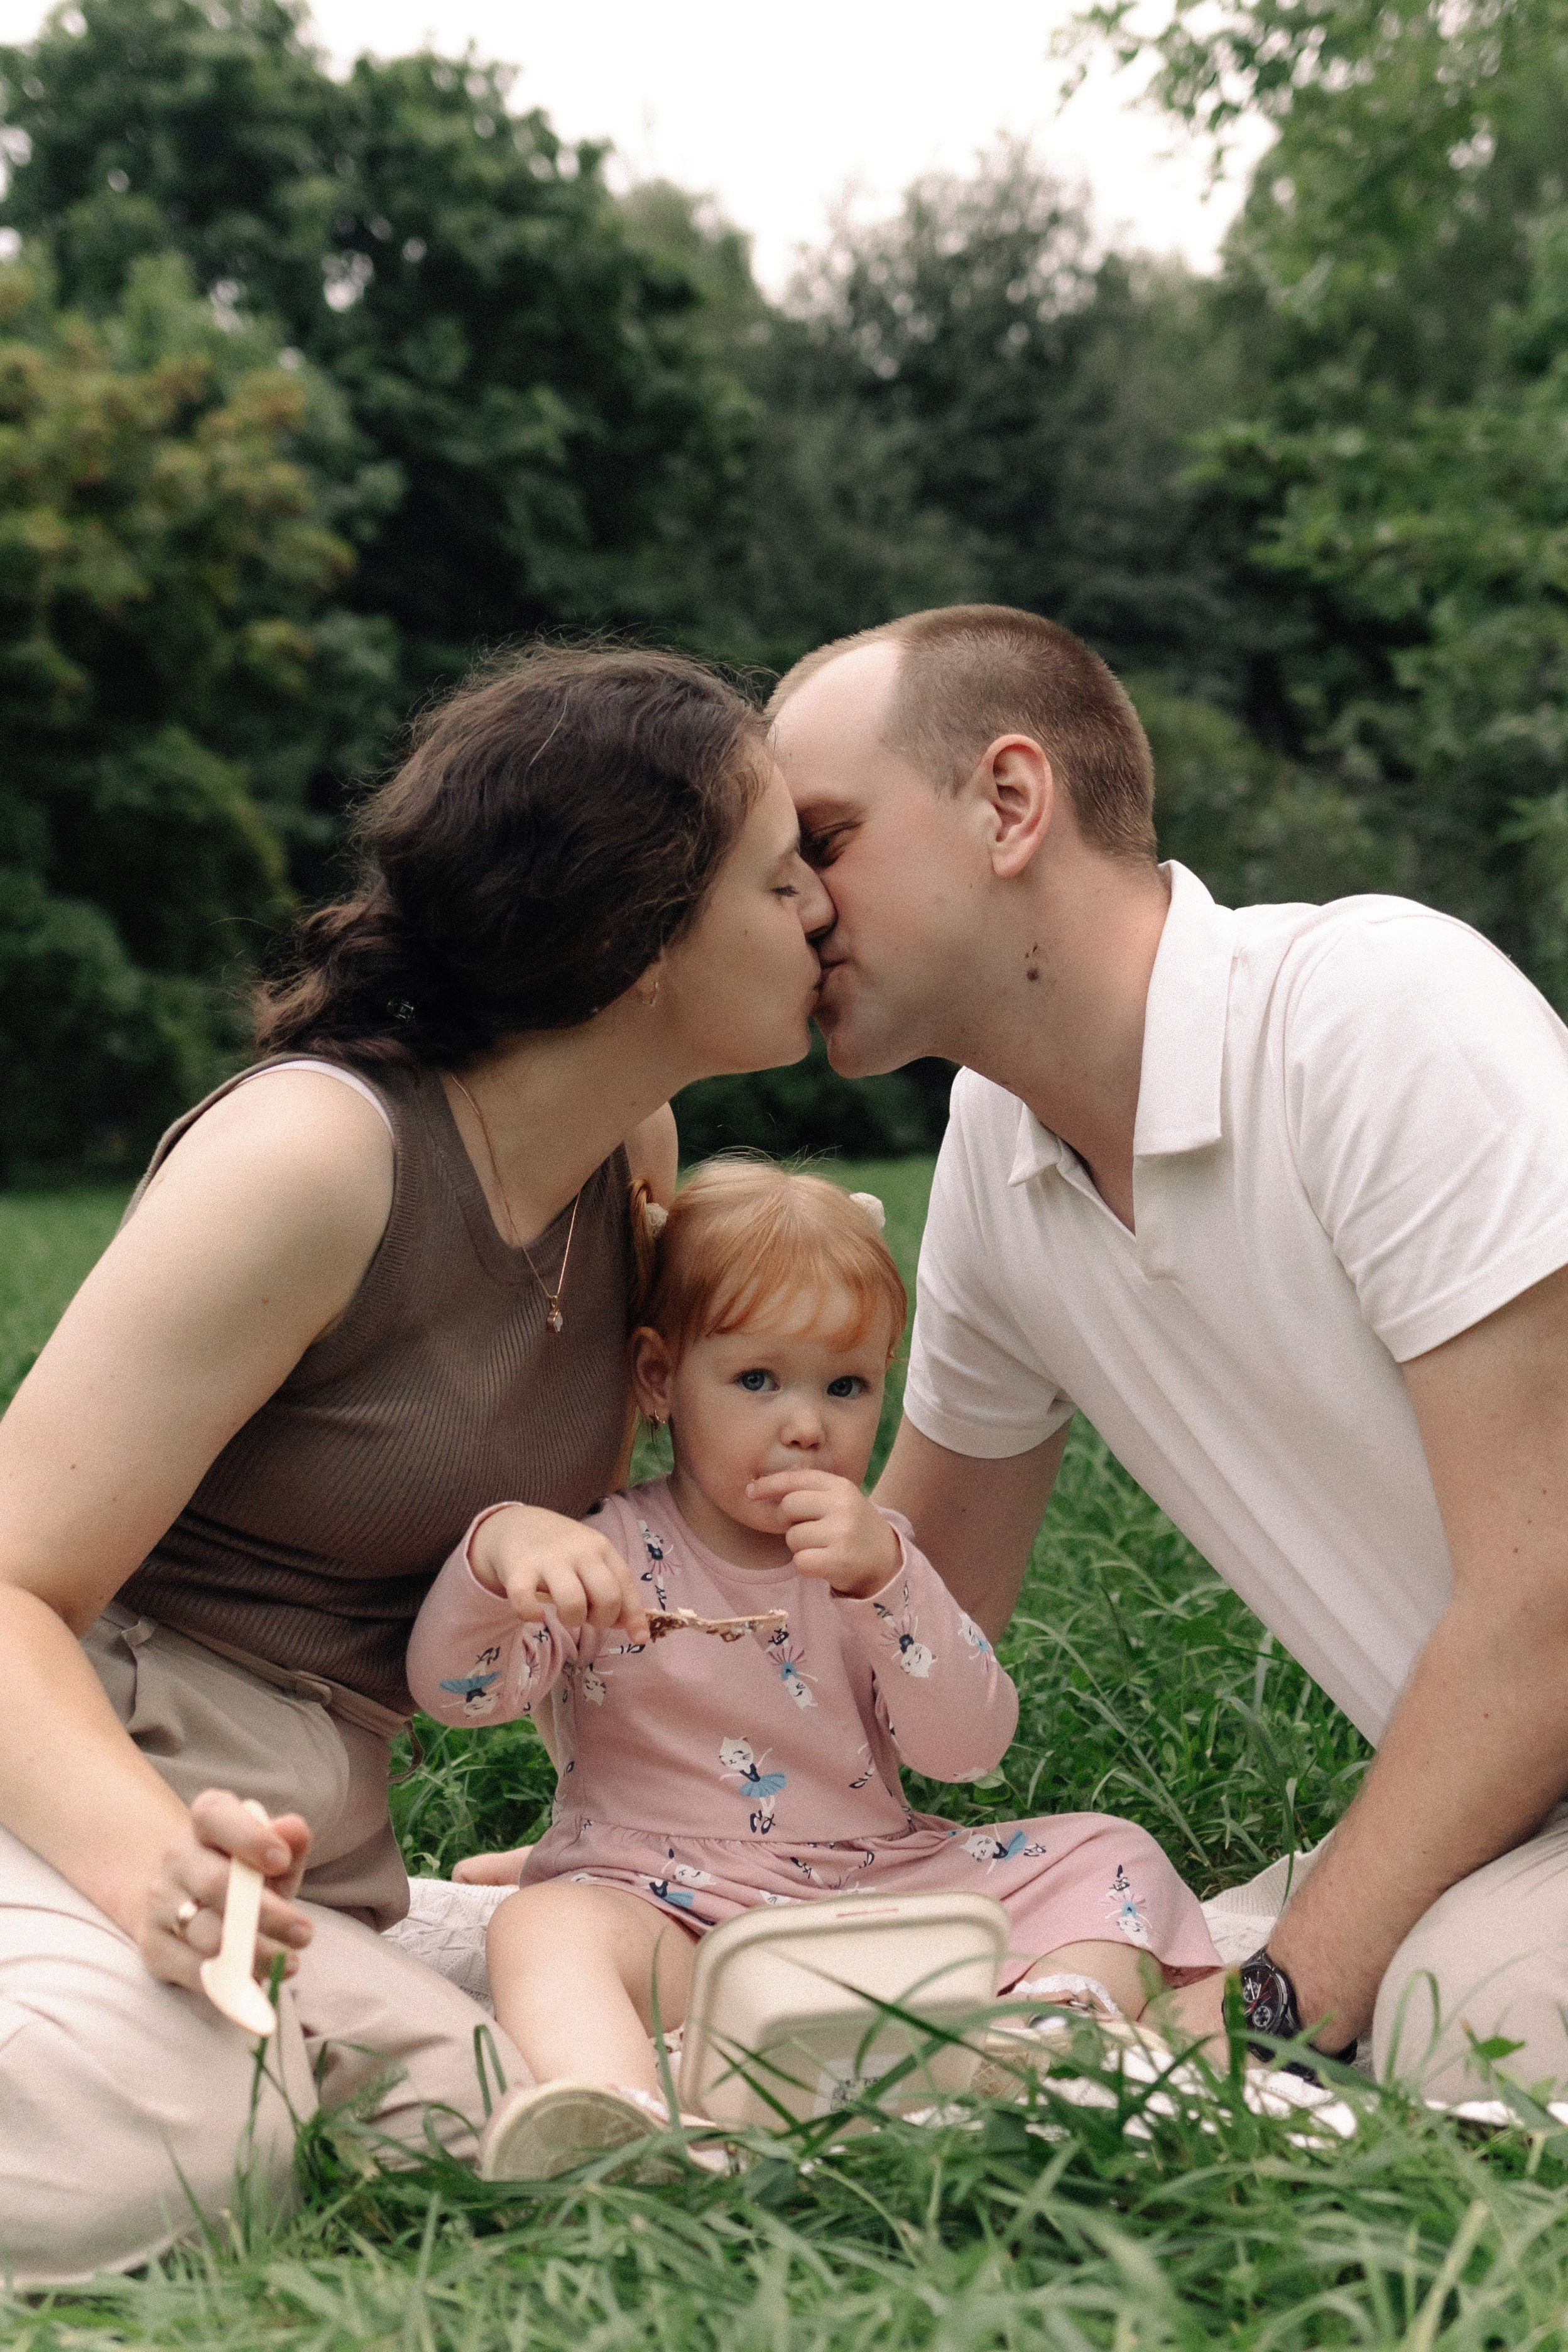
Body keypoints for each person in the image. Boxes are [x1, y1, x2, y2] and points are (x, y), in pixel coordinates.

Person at [0, 646, 834, 2286]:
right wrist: (145, 1867)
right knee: (179, 2141)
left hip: (318, 1855)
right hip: (80, 1795)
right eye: (781, 871)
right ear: (639, 935)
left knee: (655, 2057)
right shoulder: (316, 1156)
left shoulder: (630, 1157)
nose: (821, 906)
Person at [765, 603, 1568, 2103]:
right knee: (1039, 1977)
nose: (792, 903)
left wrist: (1274, 2008)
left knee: (1466, 2016)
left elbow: (1553, 1605)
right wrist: (661, 1835)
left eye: (826, 839)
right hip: (1516, 1817)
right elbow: (926, 1611)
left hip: (1537, 1761)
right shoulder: (998, 1143)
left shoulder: (1373, 1013)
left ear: (1011, 803)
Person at [408, 1160, 1221, 2177]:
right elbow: (463, 1695)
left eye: (846, 1386)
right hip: (677, 1918)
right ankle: (618, 2113)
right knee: (542, 1926)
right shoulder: (602, 1551)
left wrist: (889, 1585)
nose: (806, 1424)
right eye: (758, 1380)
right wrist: (497, 1552)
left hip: (878, 1896)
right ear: (660, 1379)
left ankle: (1042, 2036)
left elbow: (968, 1751)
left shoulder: (876, 1557)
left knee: (1111, 1854)